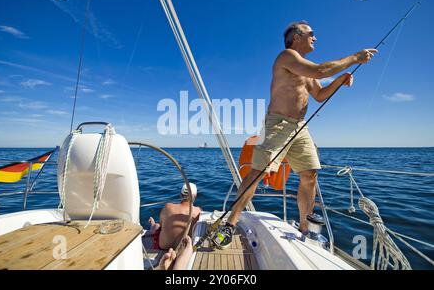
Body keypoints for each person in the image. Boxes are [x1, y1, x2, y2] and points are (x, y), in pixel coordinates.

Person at [211, 20, 378, 249]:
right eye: (311, 33)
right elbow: (320, 70)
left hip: (300, 127)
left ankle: (304, 227)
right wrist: (355, 57)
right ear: (296, 37)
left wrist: (339, 80)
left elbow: (319, 95)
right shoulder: (287, 57)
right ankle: (230, 223)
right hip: (278, 124)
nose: (315, 38)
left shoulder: (305, 67)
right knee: (258, 173)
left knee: (310, 174)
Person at [149, 182, 202, 250]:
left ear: (180, 195)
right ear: (195, 196)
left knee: (157, 226)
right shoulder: (198, 211)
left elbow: (162, 225)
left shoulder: (167, 207)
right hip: (183, 249)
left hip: (163, 247)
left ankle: (152, 224)